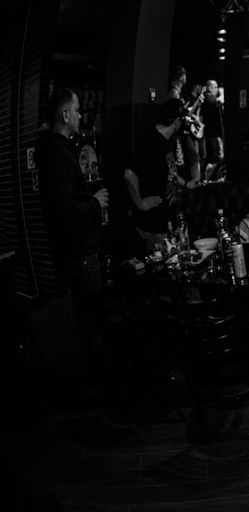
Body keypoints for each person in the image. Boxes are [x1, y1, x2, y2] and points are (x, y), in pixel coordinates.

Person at [35, 89, 116, 406]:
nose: (82, 115)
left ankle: (100, 383)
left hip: (79, 251)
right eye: (78, 110)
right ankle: (104, 389)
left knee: (89, 316)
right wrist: (95, 204)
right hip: (79, 253)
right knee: (92, 318)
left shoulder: (58, 151)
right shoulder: (56, 155)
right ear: (65, 115)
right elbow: (65, 211)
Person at [124, 98, 185, 253]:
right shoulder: (151, 143)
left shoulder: (166, 141)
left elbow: (169, 173)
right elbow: (129, 174)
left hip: (167, 222)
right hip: (154, 225)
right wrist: (141, 203)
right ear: (177, 121)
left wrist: (186, 184)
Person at [200, 79, 225, 181]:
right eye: (215, 87)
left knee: (217, 157)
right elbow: (220, 101)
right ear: (209, 88)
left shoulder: (210, 98)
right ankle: (205, 180)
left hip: (214, 133)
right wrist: (223, 92)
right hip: (213, 134)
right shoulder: (209, 98)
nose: (217, 89)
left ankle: (207, 179)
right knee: (216, 157)